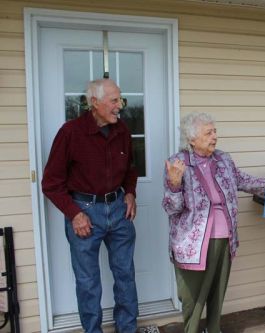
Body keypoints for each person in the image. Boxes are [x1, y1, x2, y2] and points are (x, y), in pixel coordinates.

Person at [162, 112, 265, 333]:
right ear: (192, 139)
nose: (215, 136)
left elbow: (241, 180)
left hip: (224, 235)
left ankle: (214, 329)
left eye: (215, 131)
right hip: (192, 242)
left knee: (217, 290)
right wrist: (174, 185)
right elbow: (171, 208)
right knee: (191, 295)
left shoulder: (223, 159)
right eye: (209, 132)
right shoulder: (177, 163)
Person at [42, 79, 139, 333]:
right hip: (84, 212)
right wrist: (74, 214)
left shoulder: (123, 131)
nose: (120, 106)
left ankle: (127, 328)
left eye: (121, 100)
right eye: (114, 100)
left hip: (118, 209)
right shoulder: (70, 132)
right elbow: (51, 183)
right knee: (88, 282)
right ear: (94, 103)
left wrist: (129, 193)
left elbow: (130, 168)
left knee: (125, 275)